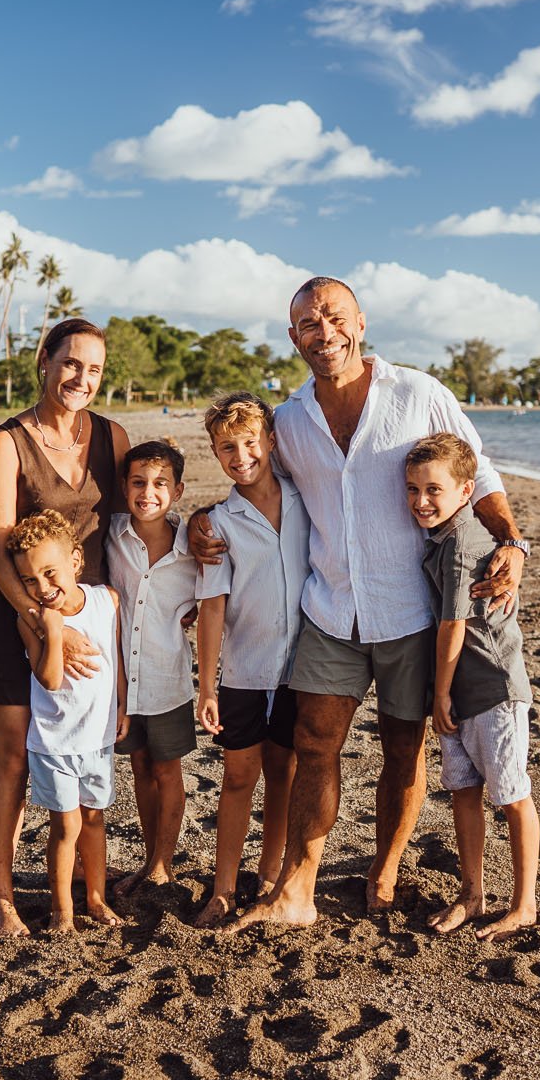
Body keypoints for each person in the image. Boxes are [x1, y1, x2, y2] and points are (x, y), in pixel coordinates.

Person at [204, 276, 529, 933]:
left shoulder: (418, 393)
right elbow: (263, 485)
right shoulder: (289, 420)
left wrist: (513, 543)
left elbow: (479, 471)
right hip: (329, 609)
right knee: (313, 740)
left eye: (334, 318)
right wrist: (202, 523)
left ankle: (383, 874)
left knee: (403, 748)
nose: (324, 333)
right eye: (307, 323)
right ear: (293, 337)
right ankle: (298, 889)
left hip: (413, 608)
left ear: (360, 322)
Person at [0, 317, 131, 938]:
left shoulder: (111, 438)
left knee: (91, 748)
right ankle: (2, 896)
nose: (80, 379)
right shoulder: (8, 442)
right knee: (13, 753)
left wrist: (198, 540)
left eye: (93, 369)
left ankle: (89, 888)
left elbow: (136, 519)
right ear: (44, 361)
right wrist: (42, 624)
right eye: (70, 363)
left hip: (89, 615)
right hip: (16, 609)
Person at [406, 432, 538, 940]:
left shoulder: (463, 540)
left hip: (494, 690)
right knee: (463, 790)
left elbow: (453, 626)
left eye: (434, 490)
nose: (421, 501)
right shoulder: (441, 536)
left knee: (511, 795)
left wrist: (438, 695)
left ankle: (524, 903)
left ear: (466, 492)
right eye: (413, 489)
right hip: (460, 692)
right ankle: (473, 893)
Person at [192, 392, 305, 926]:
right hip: (243, 672)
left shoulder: (308, 501)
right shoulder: (219, 523)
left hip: (301, 670)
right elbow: (212, 609)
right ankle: (222, 887)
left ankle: (269, 876)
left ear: (271, 441)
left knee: (284, 773)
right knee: (239, 777)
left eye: (249, 442)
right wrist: (208, 685)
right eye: (226, 448)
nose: (240, 456)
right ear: (215, 454)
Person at [7, 509, 126, 934]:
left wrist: (123, 708)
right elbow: (51, 679)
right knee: (67, 825)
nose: (43, 587)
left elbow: (117, 661)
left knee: (94, 820)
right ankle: (62, 911)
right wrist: (53, 631)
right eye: (30, 581)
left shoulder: (106, 601)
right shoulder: (31, 621)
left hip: (98, 738)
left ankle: (95, 898)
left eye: (50, 573)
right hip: (55, 743)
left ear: (76, 561)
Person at [104, 440, 200, 896]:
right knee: (140, 769)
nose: (148, 493)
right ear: (124, 487)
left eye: (160, 484)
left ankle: (163, 860)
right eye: (139, 483)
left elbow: (218, 597)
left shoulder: (195, 549)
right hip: (123, 684)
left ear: (177, 491)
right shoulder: (112, 536)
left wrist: (197, 611)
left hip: (167, 682)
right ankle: (148, 858)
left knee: (168, 771)